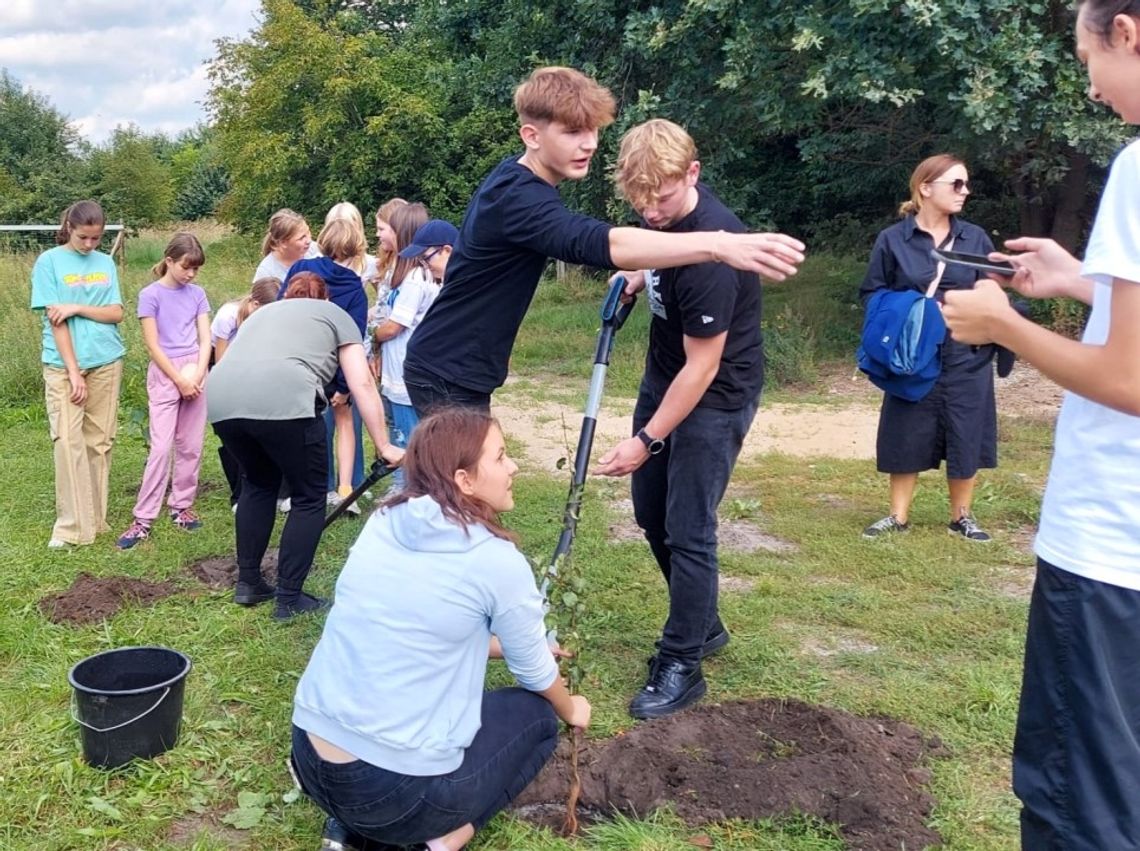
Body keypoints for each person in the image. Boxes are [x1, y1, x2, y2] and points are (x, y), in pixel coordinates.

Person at [941, 3, 1140, 845]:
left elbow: (1128, 379)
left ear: (1126, 33)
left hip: (1111, 550)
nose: (1090, 86)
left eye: (1086, 56)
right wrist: (1078, 284)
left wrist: (1004, 327)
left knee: (1080, 804)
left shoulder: (1139, 166)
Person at [402, 65, 805, 416]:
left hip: (452, 366)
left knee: (466, 495)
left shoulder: (518, 180)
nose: (591, 143)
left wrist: (643, 273)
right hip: (446, 373)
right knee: (464, 499)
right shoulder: (518, 199)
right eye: (574, 131)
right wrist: (718, 245)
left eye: (593, 130)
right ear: (532, 135)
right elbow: (599, 243)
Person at [290, 407, 590, 851]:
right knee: (538, 716)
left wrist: (503, 647)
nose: (514, 466)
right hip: (395, 794)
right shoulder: (495, 560)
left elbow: (415, 628)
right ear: (465, 480)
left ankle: (346, 829)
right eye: (502, 456)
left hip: (311, 759)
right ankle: (446, 838)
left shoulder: (385, 521)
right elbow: (535, 672)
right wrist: (572, 708)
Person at [594, 119, 762, 719]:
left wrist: (644, 439)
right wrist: (640, 273)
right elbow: (655, 251)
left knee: (689, 527)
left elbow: (703, 367)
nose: (650, 212)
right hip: (664, 379)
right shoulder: (660, 218)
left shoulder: (716, 252)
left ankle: (683, 663)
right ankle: (705, 622)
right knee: (649, 513)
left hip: (714, 395)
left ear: (691, 174)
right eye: (639, 201)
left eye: (659, 198)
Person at [207, 271, 403, 620]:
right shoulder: (335, 315)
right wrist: (384, 444)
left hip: (223, 399)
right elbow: (361, 382)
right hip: (287, 399)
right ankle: (289, 598)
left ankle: (249, 583)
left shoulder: (263, 313)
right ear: (325, 299)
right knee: (309, 496)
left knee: (257, 484)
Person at [858, 154, 998, 542]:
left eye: (966, 184)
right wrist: (912, 309)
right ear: (925, 188)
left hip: (966, 352)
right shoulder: (893, 239)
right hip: (913, 355)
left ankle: (962, 517)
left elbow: (990, 286)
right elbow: (872, 292)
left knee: (966, 429)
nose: (964, 191)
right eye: (956, 184)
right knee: (905, 430)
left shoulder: (975, 238)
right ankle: (897, 516)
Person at [30, 200, 125, 549]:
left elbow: (116, 312)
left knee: (99, 442)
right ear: (69, 227)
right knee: (68, 442)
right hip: (63, 364)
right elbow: (57, 322)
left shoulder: (105, 262)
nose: (89, 245)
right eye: (84, 237)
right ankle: (71, 528)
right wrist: (73, 373)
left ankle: (95, 521)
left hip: (106, 359)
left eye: (96, 238)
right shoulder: (49, 262)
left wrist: (78, 307)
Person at [117, 234, 212, 549]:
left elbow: (205, 339)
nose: (191, 274)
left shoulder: (197, 294)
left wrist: (197, 375)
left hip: (195, 372)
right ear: (169, 261)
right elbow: (152, 344)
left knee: (192, 446)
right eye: (186, 267)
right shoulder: (150, 295)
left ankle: (181, 506)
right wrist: (179, 380)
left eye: (196, 269)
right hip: (165, 373)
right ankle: (143, 518)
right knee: (160, 448)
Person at [283, 219, 370, 514]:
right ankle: (346, 493)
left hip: (300, 365)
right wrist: (345, 386)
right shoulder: (353, 285)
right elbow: (354, 337)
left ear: (323, 240)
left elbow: (279, 310)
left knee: (299, 427)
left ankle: (303, 490)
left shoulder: (299, 270)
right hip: (334, 365)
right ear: (356, 248)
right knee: (344, 421)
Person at [373, 204, 434, 487]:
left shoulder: (416, 277)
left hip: (407, 372)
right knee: (397, 431)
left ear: (403, 234)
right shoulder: (400, 271)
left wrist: (372, 335)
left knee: (409, 436)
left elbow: (395, 325)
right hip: (395, 369)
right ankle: (403, 486)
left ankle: (411, 490)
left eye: (386, 229)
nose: (379, 235)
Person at [211, 276, 281, 510]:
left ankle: (268, 489)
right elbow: (220, 361)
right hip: (225, 377)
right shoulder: (228, 316)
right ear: (254, 304)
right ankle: (238, 495)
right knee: (234, 439)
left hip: (251, 376)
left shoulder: (267, 320)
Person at [254, 208, 314, 282]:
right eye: (301, 238)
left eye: (308, 232)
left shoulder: (315, 250)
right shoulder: (266, 272)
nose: (309, 240)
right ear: (283, 243)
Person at [402, 217, 460, 285]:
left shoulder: (466, 285)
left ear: (447, 251)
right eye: (421, 260)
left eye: (427, 258)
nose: (425, 266)